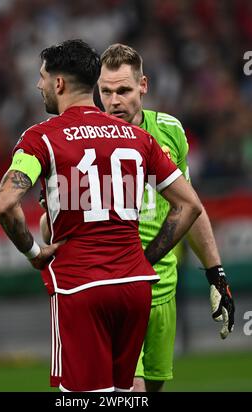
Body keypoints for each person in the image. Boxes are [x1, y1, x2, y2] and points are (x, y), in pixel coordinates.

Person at [0, 39, 202, 392]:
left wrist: (33, 252)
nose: (38, 85)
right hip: (135, 289)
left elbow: (4, 203)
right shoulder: (137, 138)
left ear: (58, 84)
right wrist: (145, 259)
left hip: (81, 287)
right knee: (124, 395)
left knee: (82, 395)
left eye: (42, 77)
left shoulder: (41, 138)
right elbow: (190, 205)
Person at [97, 43, 235, 392]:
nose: (114, 102)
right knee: (131, 390)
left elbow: (192, 206)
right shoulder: (89, 141)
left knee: (154, 387)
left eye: (124, 90)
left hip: (163, 288)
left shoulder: (170, 131)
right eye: (106, 92)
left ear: (143, 85)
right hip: (115, 288)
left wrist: (217, 276)